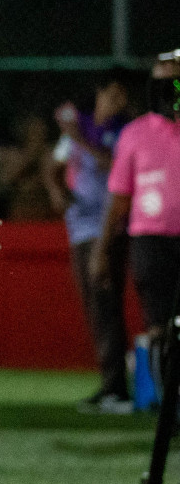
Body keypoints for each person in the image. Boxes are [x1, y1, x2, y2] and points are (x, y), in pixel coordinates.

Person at [93, 52, 180, 402]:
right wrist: (100, 251)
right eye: (160, 83)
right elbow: (118, 198)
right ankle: (170, 408)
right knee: (159, 328)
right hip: (150, 241)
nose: (168, 91)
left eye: (174, 82)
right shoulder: (135, 134)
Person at [47, 75, 132, 412]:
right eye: (114, 94)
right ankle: (110, 384)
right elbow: (52, 167)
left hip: (108, 228)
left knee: (106, 305)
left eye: (123, 96)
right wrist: (59, 194)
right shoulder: (79, 128)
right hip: (80, 227)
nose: (118, 102)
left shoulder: (122, 132)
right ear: (99, 93)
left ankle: (117, 389)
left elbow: (112, 168)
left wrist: (75, 136)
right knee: (94, 307)